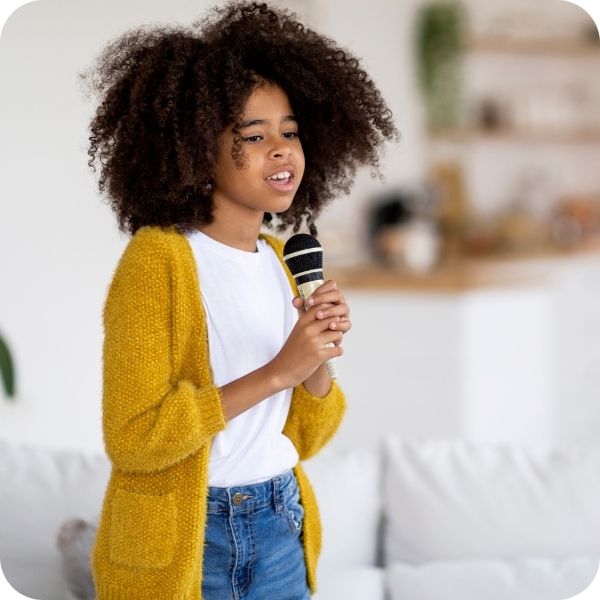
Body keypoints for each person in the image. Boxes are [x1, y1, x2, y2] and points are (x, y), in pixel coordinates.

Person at [79, 2, 398, 598]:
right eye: (253, 136)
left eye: (291, 131)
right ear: (196, 148)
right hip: (195, 537)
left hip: (281, 524)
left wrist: (317, 356)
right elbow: (135, 438)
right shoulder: (159, 262)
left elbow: (304, 437)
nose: (282, 150)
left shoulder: (283, 260)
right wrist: (281, 371)